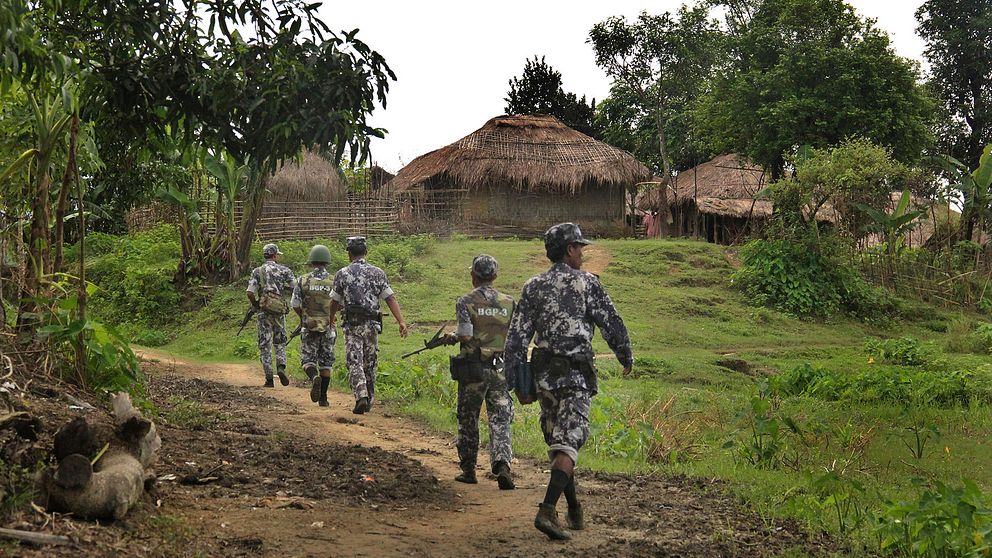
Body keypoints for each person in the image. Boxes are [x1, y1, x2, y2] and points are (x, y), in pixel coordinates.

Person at [504, 223, 633, 541]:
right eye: (579, 247)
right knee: (569, 442)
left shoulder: (533, 286)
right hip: (575, 375)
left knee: (559, 443)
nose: (582, 253)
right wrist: (624, 355)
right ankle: (547, 510)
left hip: (544, 377)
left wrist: (516, 380)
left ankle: (573, 508)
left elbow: (516, 337)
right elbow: (611, 322)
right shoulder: (588, 283)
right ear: (568, 250)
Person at [441, 255, 515, 490]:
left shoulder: (466, 301)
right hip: (500, 368)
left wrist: (452, 337)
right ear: (494, 275)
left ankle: (469, 469)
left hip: (473, 369)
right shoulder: (509, 302)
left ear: (473, 275)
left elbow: (464, 335)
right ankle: (502, 464)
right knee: (500, 418)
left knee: (468, 417)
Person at [328, 236, 409, 414]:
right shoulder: (378, 273)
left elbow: (334, 301)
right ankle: (369, 399)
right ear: (366, 252)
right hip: (372, 324)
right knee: (369, 362)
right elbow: (390, 298)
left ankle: (361, 395)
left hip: (352, 325)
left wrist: (331, 318)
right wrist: (401, 321)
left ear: (349, 254)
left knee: (354, 360)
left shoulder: (342, 274)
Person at [292, 245, 337, 407]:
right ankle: (323, 399)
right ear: (327, 261)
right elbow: (340, 303)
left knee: (308, 360)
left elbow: (295, 303)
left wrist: (303, 316)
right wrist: (332, 317)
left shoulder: (302, 280)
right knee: (326, 363)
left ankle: (313, 378)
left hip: (308, 326)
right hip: (328, 327)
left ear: (311, 261)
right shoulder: (334, 280)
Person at [246, 243, 296, 388]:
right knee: (279, 341)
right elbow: (295, 287)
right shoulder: (285, 270)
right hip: (279, 311)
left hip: (264, 312)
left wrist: (256, 304)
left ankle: (269, 379)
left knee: (265, 344)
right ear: (275, 256)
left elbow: (249, 292)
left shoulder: (257, 271)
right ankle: (281, 366)